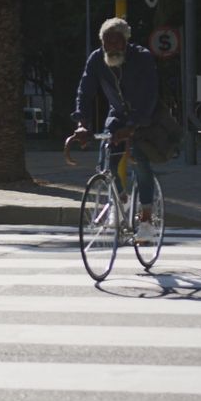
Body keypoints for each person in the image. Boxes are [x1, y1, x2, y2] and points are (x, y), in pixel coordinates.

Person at [69, 17, 160, 244]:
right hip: (117, 114)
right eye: (107, 42)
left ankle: (147, 221)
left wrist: (133, 127)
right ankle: (121, 201)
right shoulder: (97, 59)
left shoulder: (142, 58)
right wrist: (82, 123)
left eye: (117, 42)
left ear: (126, 41)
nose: (112, 47)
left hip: (144, 115)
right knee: (106, 161)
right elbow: (85, 90)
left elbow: (150, 94)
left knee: (140, 162)